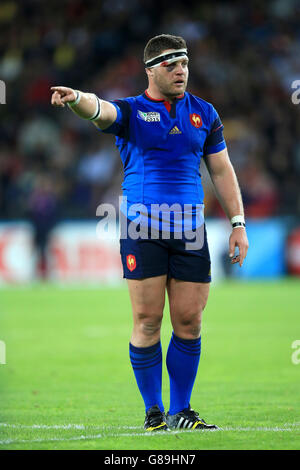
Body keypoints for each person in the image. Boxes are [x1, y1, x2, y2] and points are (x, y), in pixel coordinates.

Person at [51, 34, 249, 432]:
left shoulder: (204, 113)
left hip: (191, 229)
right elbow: (100, 111)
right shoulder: (132, 111)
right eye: (171, 64)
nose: (181, 71)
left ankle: (182, 411)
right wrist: (76, 98)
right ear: (151, 70)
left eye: (185, 63)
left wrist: (238, 223)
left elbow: (222, 169)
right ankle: (154, 412)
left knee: (189, 322)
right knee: (146, 320)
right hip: (143, 228)